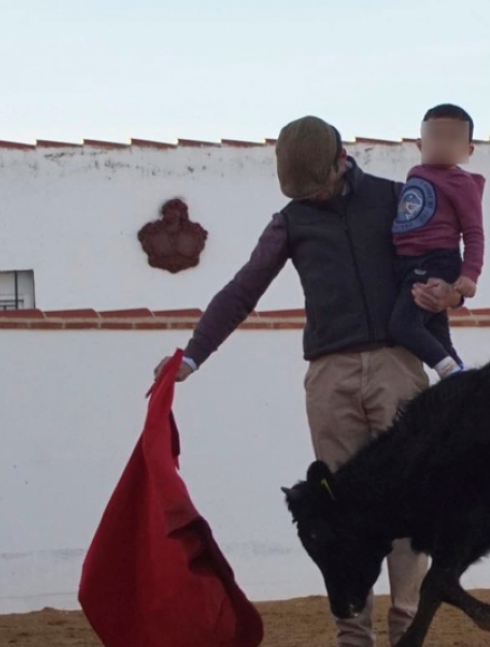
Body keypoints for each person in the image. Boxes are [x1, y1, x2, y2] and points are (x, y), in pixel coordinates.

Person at [153, 115, 464, 647]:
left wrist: (452, 298)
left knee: (414, 503)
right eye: (303, 191)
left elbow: (439, 268)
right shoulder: (292, 221)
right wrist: (193, 357)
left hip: (397, 363)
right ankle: (353, 635)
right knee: (343, 512)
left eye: (317, 185)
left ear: (343, 159)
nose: (313, 198)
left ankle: (409, 629)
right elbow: (242, 289)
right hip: (330, 375)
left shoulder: (397, 199)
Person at [388, 104, 485, 380]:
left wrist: (469, 275)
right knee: (437, 332)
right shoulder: (415, 174)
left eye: (452, 138)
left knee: (403, 325)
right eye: (435, 137)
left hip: (435, 261)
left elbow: (474, 233)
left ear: (468, 149)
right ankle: (464, 384)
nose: (442, 144)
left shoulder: (461, 184)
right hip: (407, 262)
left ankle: (448, 371)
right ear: (420, 144)